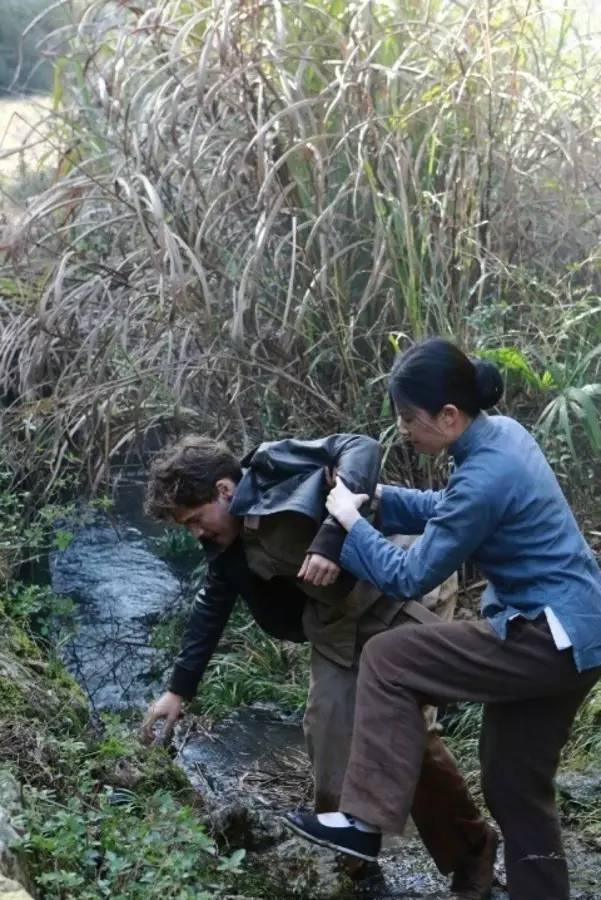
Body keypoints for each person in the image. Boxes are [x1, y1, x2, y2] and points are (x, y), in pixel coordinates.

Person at [284, 338, 601, 900]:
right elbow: (449, 509)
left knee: (389, 657)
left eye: (410, 419)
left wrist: (350, 525)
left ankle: (363, 822)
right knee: (513, 782)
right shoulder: (502, 436)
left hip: (548, 636)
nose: (403, 430)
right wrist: (379, 499)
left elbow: (410, 575)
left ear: (449, 416)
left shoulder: (484, 474)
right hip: (582, 635)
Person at [140, 432, 495, 897]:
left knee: (400, 734)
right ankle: (349, 857)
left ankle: (471, 852)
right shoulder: (226, 547)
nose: (195, 533)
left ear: (224, 490)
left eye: (195, 519)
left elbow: (361, 448)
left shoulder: (273, 465)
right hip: (336, 621)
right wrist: (178, 690)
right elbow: (212, 604)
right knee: (327, 728)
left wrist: (329, 539)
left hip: (399, 587)